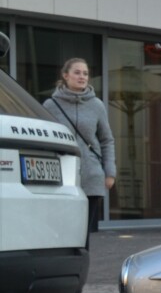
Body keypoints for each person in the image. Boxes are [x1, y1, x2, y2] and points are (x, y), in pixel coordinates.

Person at [44, 58, 116, 236]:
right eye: (77, 72)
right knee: (61, 230)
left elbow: (107, 140)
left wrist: (110, 172)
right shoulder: (51, 105)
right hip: (61, 177)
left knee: (85, 234)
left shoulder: (97, 105)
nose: (82, 77)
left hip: (91, 176)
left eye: (85, 73)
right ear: (65, 75)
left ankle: (85, 263)